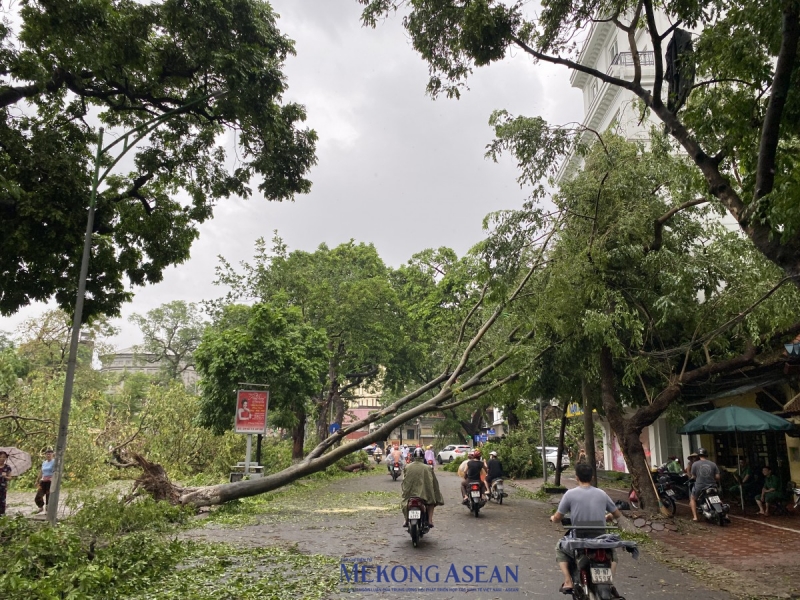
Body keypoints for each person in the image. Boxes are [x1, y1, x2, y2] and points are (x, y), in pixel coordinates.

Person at [550, 462, 623, 594]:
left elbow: (558, 517)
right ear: (592, 477)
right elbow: (617, 514)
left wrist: (553, 519)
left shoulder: (569, 494)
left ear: (577, 477)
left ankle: (568, 581)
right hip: (600, 537)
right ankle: (609, 582)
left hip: (579, 537)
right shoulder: (602, 494)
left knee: (559, 548)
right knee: (612, 554)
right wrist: (608, 517)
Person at [401, 447, 444, 527]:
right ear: (423, 456)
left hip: (409, 494)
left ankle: (406, 519)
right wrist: (436, 494)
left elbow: (404, 480)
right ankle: (430, 520)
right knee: (431, 502)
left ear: (413, 456)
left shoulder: (407, 467)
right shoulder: (428, 468)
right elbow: (434, 482)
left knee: (405, 502)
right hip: (424, 494)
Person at [689, 447, 720, 522]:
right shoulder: (713, 464)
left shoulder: (695, 464)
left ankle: (695, 517)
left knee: (692, 499)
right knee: (717, 498)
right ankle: (725, 515)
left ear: (699, 455)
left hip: (700, 486)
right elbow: (717, 477)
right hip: (712, 485)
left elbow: (693, 476)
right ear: (706, 455)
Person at [33, 448, 55, 515]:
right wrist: (37, 480)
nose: (48, 455)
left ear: (52, 455)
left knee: (48, 496)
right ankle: (40, 506)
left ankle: (48, 510)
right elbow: (41, 471)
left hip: (50, 481)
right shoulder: (44, 462)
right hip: (43, 481)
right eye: (47, 454)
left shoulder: (54, 462)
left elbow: (57, 470)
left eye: (50, 454)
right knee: (38, 496)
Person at [0, 450, 13, 516]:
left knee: (2, 501)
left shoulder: (7, 467)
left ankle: (2, 515)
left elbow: (10, 478)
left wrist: (5, 476)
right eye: (1, 457)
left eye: (4, 457)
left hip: (2, 487)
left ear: (6, 458)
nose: (2, 458)